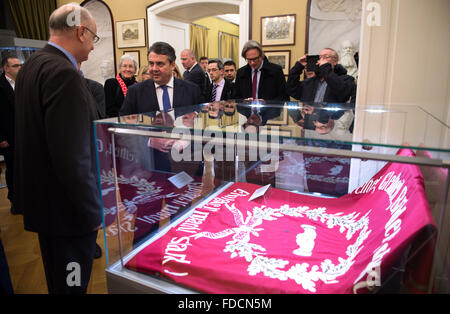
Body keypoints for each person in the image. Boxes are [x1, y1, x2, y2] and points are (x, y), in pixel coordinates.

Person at [14, 3, 102, 294]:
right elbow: (73, 156)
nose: (91, 47)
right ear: (81, 31)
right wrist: (93, 212)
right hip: (69, 214)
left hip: (45, 205)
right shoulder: (63, 73)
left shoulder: (32, 66)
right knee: (72, 285)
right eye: (93, 38)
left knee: (59, 283)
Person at [120, 42, 202, 116]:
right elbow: (125, 124)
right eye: (151, 64)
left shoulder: (192, 90)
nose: (154, 69)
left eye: (160, 64)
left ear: (172, 65)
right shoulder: (135, 92)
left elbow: (199, 121)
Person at [286, 48, 355, 104]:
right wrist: (298, 66)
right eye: (320, 57)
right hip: (311, 119)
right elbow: (292, 90)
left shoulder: (346, 79)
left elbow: (341, 92)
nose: (322, 60)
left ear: (335, 61)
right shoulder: (310, 81)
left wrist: (325, 67)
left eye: (326, 57)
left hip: (331, 120)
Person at [0, 54, 22, 215]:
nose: (19, 68)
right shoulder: (0, 86)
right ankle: (15, 200)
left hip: (24, 135)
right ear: (6, 68)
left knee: (25, 168)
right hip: (8, 136)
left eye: (20, 65)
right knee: (13, 169)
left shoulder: (23, 83)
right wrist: (1, 138)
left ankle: (27, 199)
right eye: (15, 66)